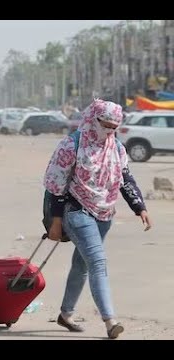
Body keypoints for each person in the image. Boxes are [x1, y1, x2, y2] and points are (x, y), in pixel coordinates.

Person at [43, 98, 152, 339]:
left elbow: (125, 178)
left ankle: (65, 314)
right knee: (98, 262)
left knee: (82, 264)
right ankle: (110, 320)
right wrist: (57, 222)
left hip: (105, 213)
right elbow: (56, 186)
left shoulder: (117, 148)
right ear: (93, 119)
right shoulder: (71, 145)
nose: (110, 131)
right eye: (106, 125)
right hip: (76, 210)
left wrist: (139, 207)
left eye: (115, 127)